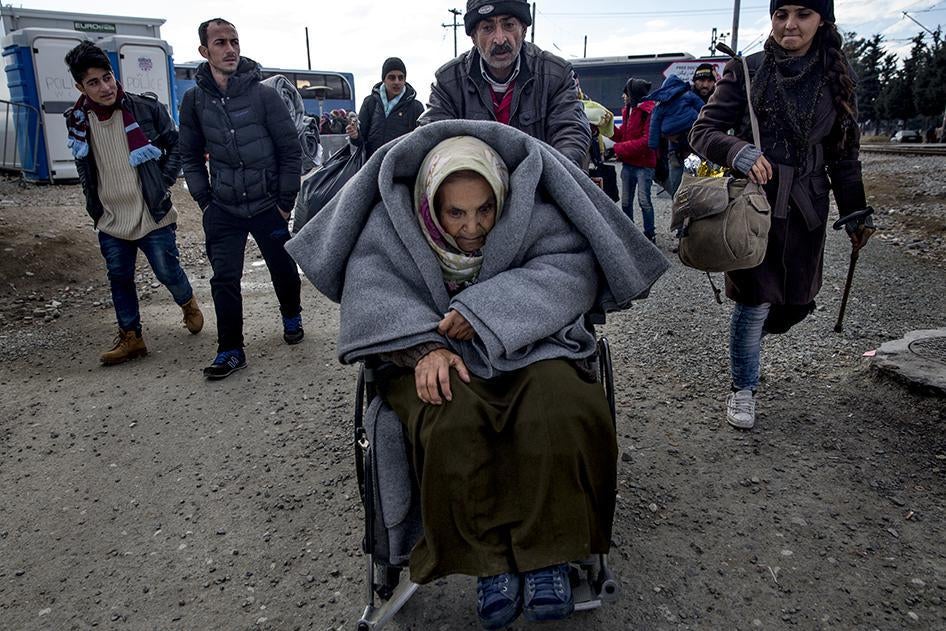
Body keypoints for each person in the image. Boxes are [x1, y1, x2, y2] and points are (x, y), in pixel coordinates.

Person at [286, 120, 668, 630]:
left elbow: (569, 270)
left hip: (531, 345)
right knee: (452, 417)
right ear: (429, 204)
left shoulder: (533, 211)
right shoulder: (392, 222)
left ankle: (548, 556)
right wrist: (423, 348)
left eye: (485, 209)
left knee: (562, 407)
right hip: (430, 353)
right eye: (456, 213)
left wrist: (487, 310)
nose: (472, 227)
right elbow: (374, 290)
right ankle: (490, 563)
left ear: (501, 196)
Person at [689, 0, 874, 430]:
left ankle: (750, 340)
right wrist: (739, 152)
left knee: (797, 302)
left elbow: (845, 156)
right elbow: (703, 131)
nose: (789, 24)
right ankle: (743, 387)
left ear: (822, 20)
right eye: (780, 14)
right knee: (753, 302)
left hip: (808, 207)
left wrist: (856, 213)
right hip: (753, 207)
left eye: (802, 15)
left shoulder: (836, 77)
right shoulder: (747, 70)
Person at [64, 41, 204, 366]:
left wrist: (162, 182)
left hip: (152, 213)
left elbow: (177, 145)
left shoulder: (145, 109)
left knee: (167, 271)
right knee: (119, 276)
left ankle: (187, 303)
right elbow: (84, 165)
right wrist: (94, 207)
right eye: (93, 82)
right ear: (80, 87)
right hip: (111, 216)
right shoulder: (78, 120)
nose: (105, 87)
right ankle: (131, 338)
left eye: (107, 77)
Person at [179, 18, 303, 380]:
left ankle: (292, 313)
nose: (230, 48)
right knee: (224, 280)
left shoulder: (264, 94)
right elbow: (189, 155)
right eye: (220, 43)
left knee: (282, 267)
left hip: (268, 204)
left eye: (234, 41)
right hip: (224, 207)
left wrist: (285, 202)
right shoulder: (194, 100)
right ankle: (231, 349)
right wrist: (205, 201)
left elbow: (289, 149)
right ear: (205, 51)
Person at [418, 0, 592, 167]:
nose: (500, 39)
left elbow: (571, 133)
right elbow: (430, 137)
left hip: (541, 186)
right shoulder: (448, 81)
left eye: (508, 25)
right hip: (473, 189)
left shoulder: (556, 74)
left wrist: (548, 179)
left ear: (523, 29)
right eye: (488, 28)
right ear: (473, 37)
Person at [646, 65, 715, 198]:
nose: (705, 84)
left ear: (714, 82)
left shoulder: (718, 98)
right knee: (678, 193)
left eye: (709, 81)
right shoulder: (686, 95)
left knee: (707, 193)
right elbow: (656, 127)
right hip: (677, 152)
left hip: (706, 152)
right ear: (694, 81)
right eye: (701, 80)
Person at [346, 57, 424, 159]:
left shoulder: (416, 107)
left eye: (401, 78)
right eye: (392, 77)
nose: (397, 82)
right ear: (384, 79)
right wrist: (355, 136)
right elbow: (361, 140)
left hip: (403, 170)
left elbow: (421, 142)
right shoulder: (370, 103)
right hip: (373, 167)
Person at [611, 78, 657, 243]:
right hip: (629, 163)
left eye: (626, 93)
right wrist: (606, 127)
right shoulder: (628, 111)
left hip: (644, 165)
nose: (623, 96)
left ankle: (650, 235)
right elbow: (622, 135)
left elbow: (646, 142)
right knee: (625, 202)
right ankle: (629, 235)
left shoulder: (648, 113)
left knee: (644, 201)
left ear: (633, 95)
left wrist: (617, 149)